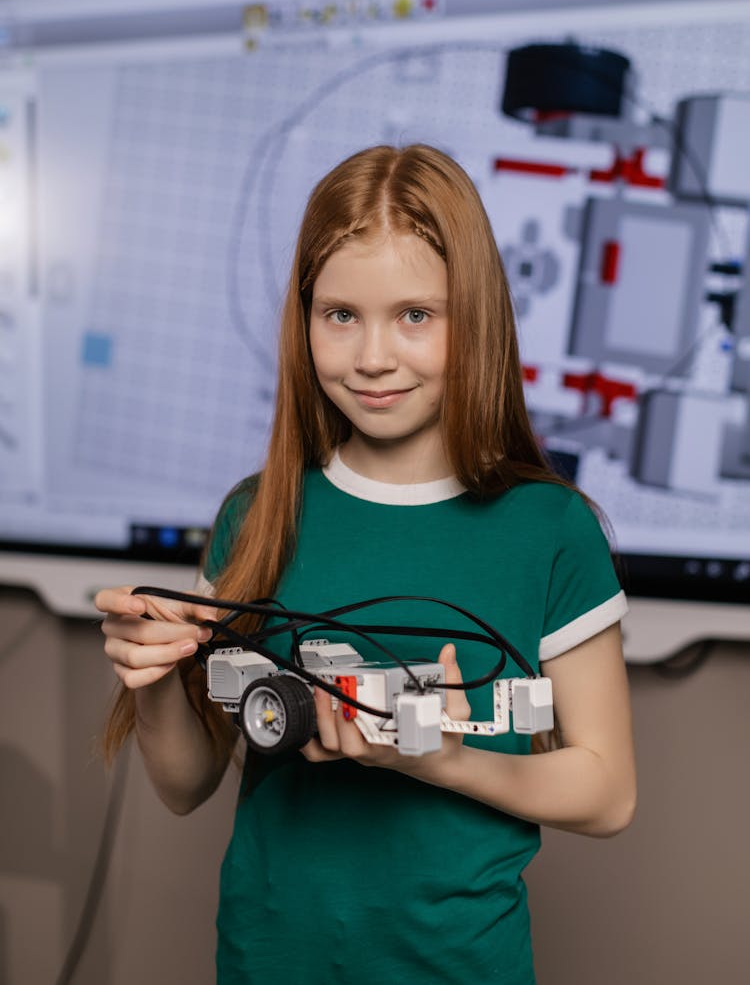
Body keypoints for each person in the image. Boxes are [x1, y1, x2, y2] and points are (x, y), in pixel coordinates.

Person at [98, 143, 636, 985]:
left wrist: (441, 758)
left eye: (416, 314)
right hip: (267, 961)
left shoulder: (549, 528)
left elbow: (607, 792)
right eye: (340, 314)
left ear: (478, 317)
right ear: (303, 318)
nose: (373, 356)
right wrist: (154, 672)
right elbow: (184, 783)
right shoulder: (256, 514)